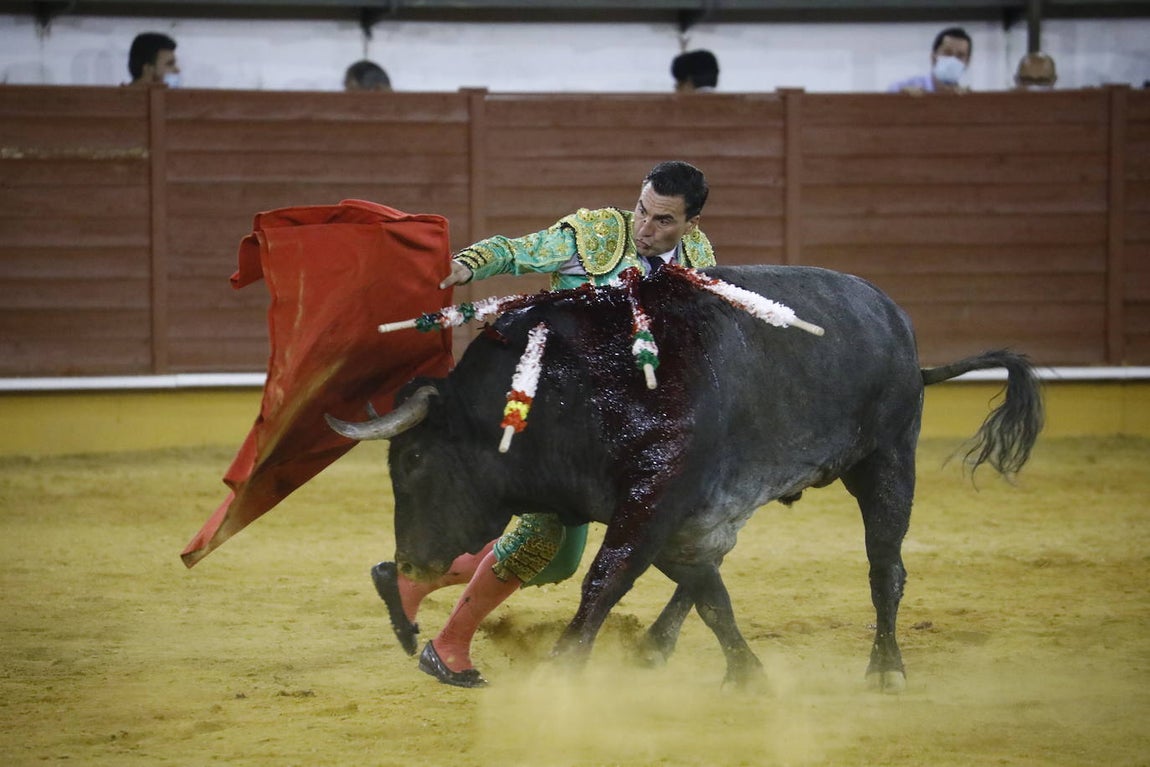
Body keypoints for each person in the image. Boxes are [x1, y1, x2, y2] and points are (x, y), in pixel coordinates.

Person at [372, 160, 716, 688]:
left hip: (614, 434)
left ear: (690, 224)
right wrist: (468, 266)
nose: (645, 228)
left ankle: (412, 583)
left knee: (555, 561)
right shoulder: (597, 235)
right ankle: (448, 647)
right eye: (642, 210)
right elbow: (515, 250)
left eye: (663, 221)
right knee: (540, 535)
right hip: (545, 419)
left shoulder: (699, 258)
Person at [889, 26, 972, 95]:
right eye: (947, 53)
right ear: (933, 58)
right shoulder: (907, 87)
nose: (953, 59)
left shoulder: (967, 98)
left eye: (960, 55)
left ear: (967, 62)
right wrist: (901, 97)